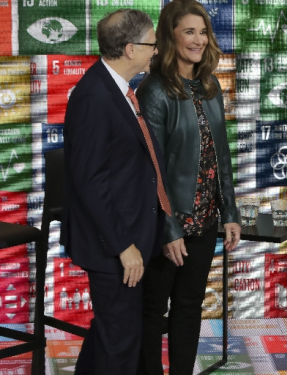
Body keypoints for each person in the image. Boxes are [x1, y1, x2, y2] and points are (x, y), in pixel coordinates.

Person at [135, 0, 241, 373]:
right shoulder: (154, 91)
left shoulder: (209, 86)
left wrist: (229, 211)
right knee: (152, 310)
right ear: (170, 36)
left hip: (205, 220)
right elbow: (153, 170)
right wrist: (169, 229)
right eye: (188, 31)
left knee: (189, 305)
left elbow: (221, 156)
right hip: (169, 225)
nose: (198, 40)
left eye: (202, 31)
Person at [62, 9, 167, 375]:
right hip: (113, 244)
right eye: (152, 44)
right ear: (129, 48)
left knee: (112, 335)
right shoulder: (94, 97)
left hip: (130, 236)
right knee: (119, 345)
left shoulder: (119, 90)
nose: (156, 51)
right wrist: (123, 245)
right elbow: (89, 181)